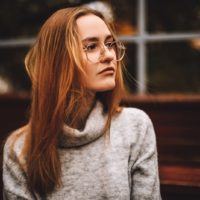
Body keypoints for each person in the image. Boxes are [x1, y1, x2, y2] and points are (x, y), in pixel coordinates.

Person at [3, 6, 161, 200]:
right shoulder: (19, 149)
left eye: (110, 44)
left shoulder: (135, 127)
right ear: (58, 61)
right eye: (91, 46)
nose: (109, 55)